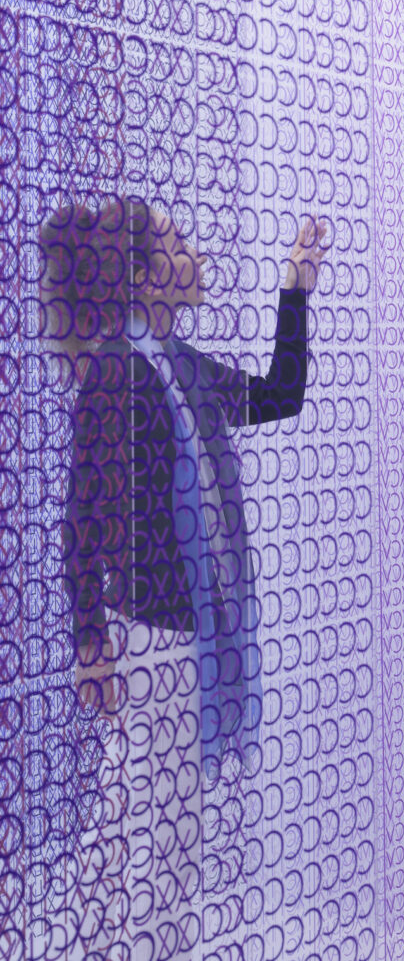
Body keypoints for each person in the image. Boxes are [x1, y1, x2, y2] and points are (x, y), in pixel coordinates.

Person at [38, 194, 328, 959]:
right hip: (151, 645)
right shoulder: (119, 374)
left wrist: (294, 289)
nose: (192, 252)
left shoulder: (180, 369)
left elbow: (279, 395)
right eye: (174, 241)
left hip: (177, 642)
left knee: (136, 822)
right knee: (160, 835)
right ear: (142, 275)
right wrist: (91, 643)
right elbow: (79, 519)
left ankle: (99, 946)